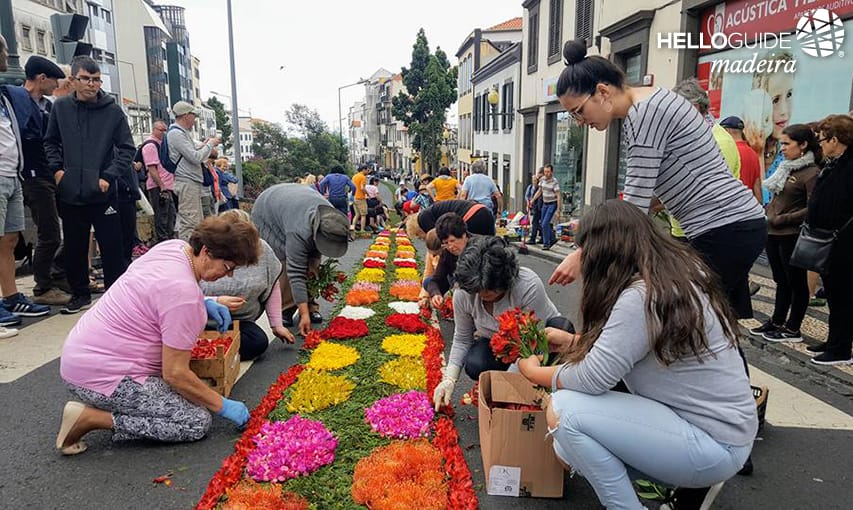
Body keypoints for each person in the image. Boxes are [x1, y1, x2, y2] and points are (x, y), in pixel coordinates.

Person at [518, 200, 757, 510]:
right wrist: (573, 342)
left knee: (565, 411)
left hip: (711, 442)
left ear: (606, 253)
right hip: (724, 432)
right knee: (565, 445)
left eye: (587, 252)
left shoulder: (641, 296)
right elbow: (631, 349)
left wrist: (531, 371)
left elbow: (592, 378)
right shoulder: (677, 275)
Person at [549, 40, 766, 325]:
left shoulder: (643, 114)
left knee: (683, 323)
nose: (578, 121)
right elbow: (660, 189)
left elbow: (635, 208)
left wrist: (584, 253)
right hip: (731, 226)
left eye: (577, 111)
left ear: (601, 92)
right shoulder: (655, 100)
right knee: (717, 327)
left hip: (724, 228)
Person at [56, 216, 261, 455]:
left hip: (82, 356)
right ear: (206, 251)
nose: (228, 276)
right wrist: (223, 406)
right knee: (195, 421)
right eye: (228, 267)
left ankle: (109, 405)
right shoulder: (183, 294)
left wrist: (205, 301)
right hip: (103, 374)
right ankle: (91, 418)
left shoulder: (174, 248)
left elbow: (156, 291)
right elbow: (175, 373)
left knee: (193, 397)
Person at [432, 236, 574, 410]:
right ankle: (504, 384)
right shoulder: (464, 292)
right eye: (477, 291)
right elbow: (462, 338)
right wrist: (449, 380)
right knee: (476, 363)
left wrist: (507, 389)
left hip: (540, 343)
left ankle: (546, 389)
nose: (482, 296)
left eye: (488, 291)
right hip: (499, 344)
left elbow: (534, 343)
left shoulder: (527, 285)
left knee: (562, 326)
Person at [44, 55, 136, 315]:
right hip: (71, 190)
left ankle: (116, 297)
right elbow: (50, 142)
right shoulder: (60, 108)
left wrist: (108, 176)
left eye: (96, 80)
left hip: (104, 191)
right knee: (74, 244)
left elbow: (127, 148)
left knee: (112, 246)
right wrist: (58, 171)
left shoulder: (112, 111)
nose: (92, 85)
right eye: (86, 79)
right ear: (73, 80)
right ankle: (80, 293)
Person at [7, 56, 70, 307]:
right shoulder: (16, 100)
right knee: (50, 234)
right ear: (42, 78)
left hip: (50, 173)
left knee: (72, 227)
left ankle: (57, 274)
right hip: (33, 176)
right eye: (53, 80)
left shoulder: (47, 106)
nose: (55, 86)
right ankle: (43, 285)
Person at [749, 124, 820, 343]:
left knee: (796, 283)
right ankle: (777, 320)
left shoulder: (811, 173)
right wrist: (770, 212)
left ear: (803, 145)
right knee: (781, 281)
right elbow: (778, 198)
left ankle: (793, 328)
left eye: (787, 144)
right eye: (782, 143)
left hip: (791, 234)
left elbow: (813, 208)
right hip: (773, 232)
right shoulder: (786, 167)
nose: (782, 148)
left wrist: (784, 218)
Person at [252, 183, 349, 336]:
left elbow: (317, 249)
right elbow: (295, 272)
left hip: (294, 206)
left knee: (313, 266)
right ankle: (286, 309)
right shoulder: (298, 231)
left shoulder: (332, 217)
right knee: (283, 262)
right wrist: (303, 316)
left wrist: (313, 266)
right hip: (268, 211)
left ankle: (311, 306)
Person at [202, 210, 294, 360]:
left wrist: (277, 324)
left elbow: (272, 285)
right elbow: (183, 296)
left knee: (257, 342)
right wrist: (214, 302)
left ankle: (216, 352)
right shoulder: (206, 253)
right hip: (201, 321)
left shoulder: (260, 249)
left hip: (240, 323)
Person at [668, 79, 741, 243]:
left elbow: (712, 192)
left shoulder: (719, 141)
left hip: (708, 230)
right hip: (684, 228)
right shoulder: (689, 136)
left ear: (693, 108)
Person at [806, 115, 853, 365]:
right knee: (835, 295)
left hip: (844, 244)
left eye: (823, 139)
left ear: (835, 140)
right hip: (829, 241)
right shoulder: (834, 163)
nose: (820, 144)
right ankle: (834, 340)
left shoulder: (849, 166)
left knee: (843, 295)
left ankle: (841, 349)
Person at [168, 100, 221, 241]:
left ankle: (192, 253)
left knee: (195, 221)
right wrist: (210, 144)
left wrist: (203, 146)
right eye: (193, 116)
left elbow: (192, 153)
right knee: (190, 222)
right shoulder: (176, 134)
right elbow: (195, 157)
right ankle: (187, 254)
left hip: (190, 181)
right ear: (186, 116)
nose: (195, 120)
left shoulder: (182, 133)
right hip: (187, 182)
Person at [142, 121, 177, 245]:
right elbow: (152, 169)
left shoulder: (161, 144)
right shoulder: (151, 145)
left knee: (170, 215)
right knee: (162, 216)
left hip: (167, 185)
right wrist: (161, 186)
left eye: (165, 130)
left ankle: (169, 240)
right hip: (158, 186)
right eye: (161, 130)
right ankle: (163, 242)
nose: (164, 133)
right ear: (154, 129)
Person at [406, 199, 496, 240]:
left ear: (418, 229)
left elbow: (437, 240)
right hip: (484, 210)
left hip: (471, 216)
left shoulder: (423, 219)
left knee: (473, 249)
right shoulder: (430, 211)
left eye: (418, 236)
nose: (421, 238)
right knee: (490, 244)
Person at [721, 116, 763, 203]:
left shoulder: (728, 151)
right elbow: (757, 186)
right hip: (747, 206)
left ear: (726, 131)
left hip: (731, 205)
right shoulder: (753, 154)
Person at [531, 164, 562, 250]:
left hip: (552, 204)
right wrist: (533, 199)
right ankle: (552, 238)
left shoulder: (554, 182)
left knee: (545, 223)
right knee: (542, 223)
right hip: (545, 203)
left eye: (548, 172)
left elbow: (558, 196)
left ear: (552, 172)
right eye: (545, 171)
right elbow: (540, 191)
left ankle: (546, 243)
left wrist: (558, 210)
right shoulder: (542, 180)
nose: (546, 173)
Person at [525, 168, 544, 244]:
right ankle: (541, 237)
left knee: (536, 222)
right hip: (535, 206)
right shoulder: (530, 187)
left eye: (536, 180)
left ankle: (534, 238)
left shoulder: (539, 187)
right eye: (533, 180)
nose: (534, 182)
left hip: (539, 206)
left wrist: (532, 202)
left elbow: (537, 196)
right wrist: (529, 203)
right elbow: (527, 196)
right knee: (536, 222)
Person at [350, 164, 369, 232]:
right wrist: (367, 194)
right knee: (363, 215)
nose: (368, 172)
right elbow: (362, 188)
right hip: (360, 198)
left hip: (354, 197)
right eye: (367, 170)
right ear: (363, 170)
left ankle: (353, 228)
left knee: (356, 214)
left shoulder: (354, 176)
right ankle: (362, 229)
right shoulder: (363, 177)